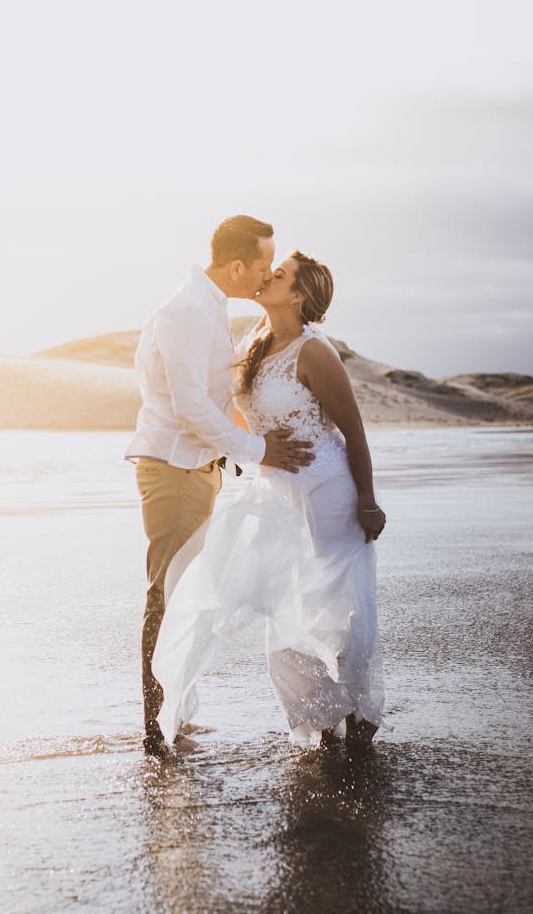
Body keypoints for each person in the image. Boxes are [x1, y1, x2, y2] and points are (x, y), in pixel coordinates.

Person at [152, 251, 386, 751]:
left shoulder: (314, 352)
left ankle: (361, 715)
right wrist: (244, 449)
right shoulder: (253, 342)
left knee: (338, 609)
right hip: (275, 496)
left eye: (278, 274)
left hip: (328, 492)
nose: (266, 275)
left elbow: (354, 430)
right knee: (282, 610)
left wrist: (368, 500)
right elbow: (237, 416)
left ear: (297, 295)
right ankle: (324, 719)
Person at [125, 217, 314, 757]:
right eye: (260, 266)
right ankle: (155, 726)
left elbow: (210, 394)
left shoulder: (208, 305)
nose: (264, 275)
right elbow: (190, 406)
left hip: (197, 468)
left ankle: (173, 714)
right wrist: (257, 450)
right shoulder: (187, 310)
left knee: (182, 592)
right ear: (236, 266)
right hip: (175, 468)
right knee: (166, 594)